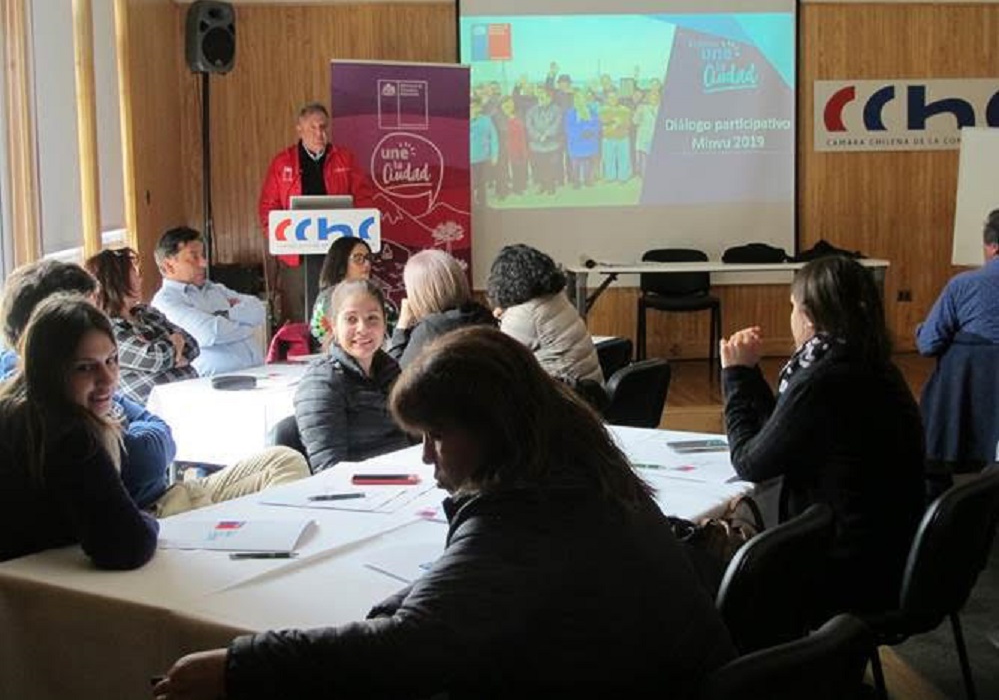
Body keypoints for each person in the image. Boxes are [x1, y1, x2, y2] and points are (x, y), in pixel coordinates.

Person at [153, 327, 735, 700]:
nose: (427, 456)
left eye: (436, 435)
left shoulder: (525, 518)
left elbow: (408, 650)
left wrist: (241, 665)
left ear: (492, 429)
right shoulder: (583, 475)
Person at [721, 255, 925, 618]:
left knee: (714, 558)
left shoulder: (822, 380)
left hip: (842, 568)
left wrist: (735, 376)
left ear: (809, 317)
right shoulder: (874, 365)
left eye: (792, 307)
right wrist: (748, 374)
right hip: (891, 555)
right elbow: (784, 431)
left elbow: (749, 463)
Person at [1, 259, 177, 510]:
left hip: (163, 496)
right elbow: (142, 460)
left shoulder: (87, 373)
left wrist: (144, 433)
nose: (97, 323)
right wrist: (142, 434)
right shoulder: (40, 397)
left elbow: (158, 428)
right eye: (83, 314)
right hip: (148, 511)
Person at [0, 295, 159, 568]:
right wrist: (149, 519)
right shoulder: (66, 434)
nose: (108, 379)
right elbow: (127, 547)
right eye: (85, 368)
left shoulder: (14, 412)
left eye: (111, 360)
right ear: (50, 371)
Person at [258, 102, 372, 323]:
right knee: (299, 312)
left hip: (338, 251)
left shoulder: (345, 159)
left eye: (323, 127)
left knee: (342, 307)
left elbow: (364, 199)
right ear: (299, 129)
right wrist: (278, 239)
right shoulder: (282, 163)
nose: (320, 133)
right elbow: (267, 207)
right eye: (313, 128)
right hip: (296, 254)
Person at [293, 279, 411, 472]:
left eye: (372, 318)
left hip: (407, 476)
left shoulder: (391, 371)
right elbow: (330, 470)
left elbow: (415, 437)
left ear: (384, 323)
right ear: (333, 326)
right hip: (358, 486)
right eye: (351, 319)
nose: (363, 328)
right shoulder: (321, 383)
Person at [85, 247, 199, 405]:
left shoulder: (148, 313)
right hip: (158, 410)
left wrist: (172, 351)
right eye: (135, 273)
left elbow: (193, 346)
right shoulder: (104, 330)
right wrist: (175, 344)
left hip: (193, 395)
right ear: (118, 281)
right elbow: (156, 358)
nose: (140, 279)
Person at [150, 226, 266, 376]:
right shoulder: (165, 302)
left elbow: (259, 310)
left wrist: (224, 315)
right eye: (194, 257)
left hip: (258, 374)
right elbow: (211, 333)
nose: (204, 263)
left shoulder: (214, 289)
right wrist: (248, 325)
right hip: (214, 383)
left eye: (202, 255)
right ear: (169, 265)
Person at [486, 243, 604, 387]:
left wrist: (505, 318)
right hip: (589, 392)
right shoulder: (557, 297)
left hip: (563, 396)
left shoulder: (524, 314)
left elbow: (502, 366)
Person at [387, 248, 495, 368]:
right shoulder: (484, 315)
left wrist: (402, 326)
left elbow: (397, 373)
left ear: (421, 294)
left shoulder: (430, 329)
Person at [916, 208, 999, 356]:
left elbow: (928, 344)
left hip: (974, 370)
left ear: (994, 248)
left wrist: (921, 330)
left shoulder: (962, 285)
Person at [309, 235, 395, 347]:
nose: (367, 264)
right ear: (341, 262)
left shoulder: (371, 293)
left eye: (368, 258)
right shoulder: (330, 297)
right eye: (358, 259)